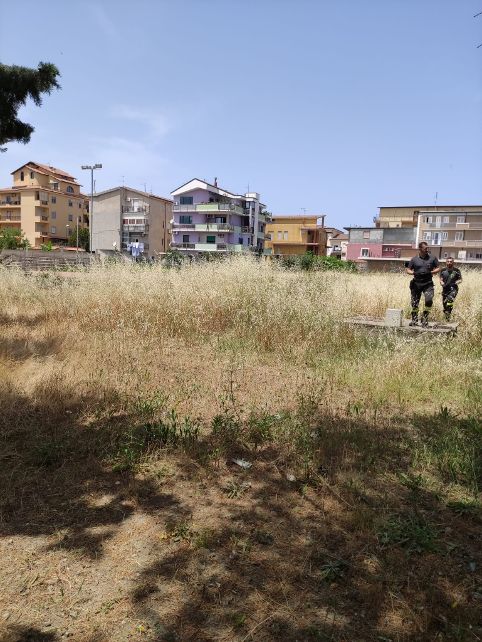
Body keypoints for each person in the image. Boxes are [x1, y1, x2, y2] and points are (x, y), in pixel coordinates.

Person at [406, 241, 440, 326]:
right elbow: (408, 270)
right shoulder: (414, 259)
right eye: (425, 248)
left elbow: (438, 268)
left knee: (429, 300)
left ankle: (425, 317)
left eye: (428, 248)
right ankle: (414, 320)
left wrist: (431, 272)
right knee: (414, 303)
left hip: (428, 284)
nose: (427, 250)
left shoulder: (432, 258)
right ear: (420, 249)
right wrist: (414, 273)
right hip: (416, 284)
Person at [439, 257, 462, 321]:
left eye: (451, 261)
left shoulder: (457, 270)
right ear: (446, 262)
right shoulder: (443, 270)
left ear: (453, 262)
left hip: (453, 289)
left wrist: (456, 282)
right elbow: (441, 280)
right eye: (448, 261)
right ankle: (447, 316)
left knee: (449, 299)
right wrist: (442, 283)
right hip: (445, 289)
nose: (449, 263)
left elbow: (460, 279)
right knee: (445, 304)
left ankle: (448, 311)